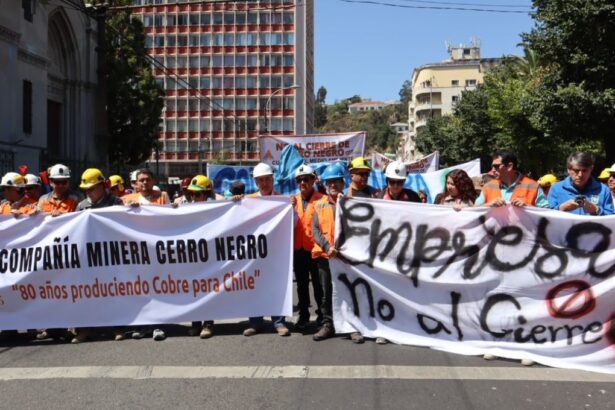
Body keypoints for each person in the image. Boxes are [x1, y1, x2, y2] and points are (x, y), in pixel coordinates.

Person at [72, 168, 125, 344]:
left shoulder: (116, 203)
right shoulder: (81, 206)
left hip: (112, 256)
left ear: (103, 186)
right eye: (86, 190)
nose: (89, 192)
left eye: (92, 188)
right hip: (89, 258)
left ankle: (118, 326)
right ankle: (85, 329)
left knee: (114, 291)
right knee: (87, 293)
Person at [241, 163, 290, 337]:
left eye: (267, 179)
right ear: (255, 182)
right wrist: (235, 203)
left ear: (272, 179)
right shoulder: (248, 200)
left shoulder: (282, 201)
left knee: (277, 286)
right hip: (255, 253)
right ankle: (255, 322)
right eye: (260, 180)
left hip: (276, 252)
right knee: (255, 286)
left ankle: (279, 322)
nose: (264, 183)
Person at [312, 162, 346, 342]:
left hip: (346, 258)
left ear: (343, 183)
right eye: (329, 182)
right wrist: (327, 247)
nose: (333, 185)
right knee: (326, 294)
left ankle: (350, 326)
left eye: (336, 181)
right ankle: (328, 325)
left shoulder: (350, 203)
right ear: (325, 184)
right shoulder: (319, 205)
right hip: (326, 257)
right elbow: (315, 230)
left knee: (347, 291)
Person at [180, 175, 216, 339]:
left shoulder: (216, 208)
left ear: (207, 194)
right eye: (191, 194)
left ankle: (208, 323)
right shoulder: (186, 207)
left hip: (209, 256)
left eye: (198, 194)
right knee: (194, 288)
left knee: (207, 288)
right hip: (191, 257)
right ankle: (195, 323)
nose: (193, 197)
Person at [290, 164, 324, 330]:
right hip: (299, 250)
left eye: (306, 179)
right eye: (300, 180)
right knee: (302, 285)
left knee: (319, 286)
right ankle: (303, 315)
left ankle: (322, 316)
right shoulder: (292, 200)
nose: (303, 182)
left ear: (313, 180)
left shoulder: (322, 199)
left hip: (316, 250)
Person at [547, 152, 614, 216]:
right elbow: (546, 217)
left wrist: (597, 210)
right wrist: (561, 208)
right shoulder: (556, 189)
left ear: (591, 169)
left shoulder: (603, 190)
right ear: (568, 170)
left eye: (584, 171)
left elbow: (611, 218)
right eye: (576, 170)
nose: (580, 175)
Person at [475, 151, 548, 208]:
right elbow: (473, 210)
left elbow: (547, 213)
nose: (493, 170)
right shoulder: (489, 186)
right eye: (492, 166)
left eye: (496, 166)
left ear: (510, 166)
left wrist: (528, 207)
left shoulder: (532, 186)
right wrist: (488, 205)